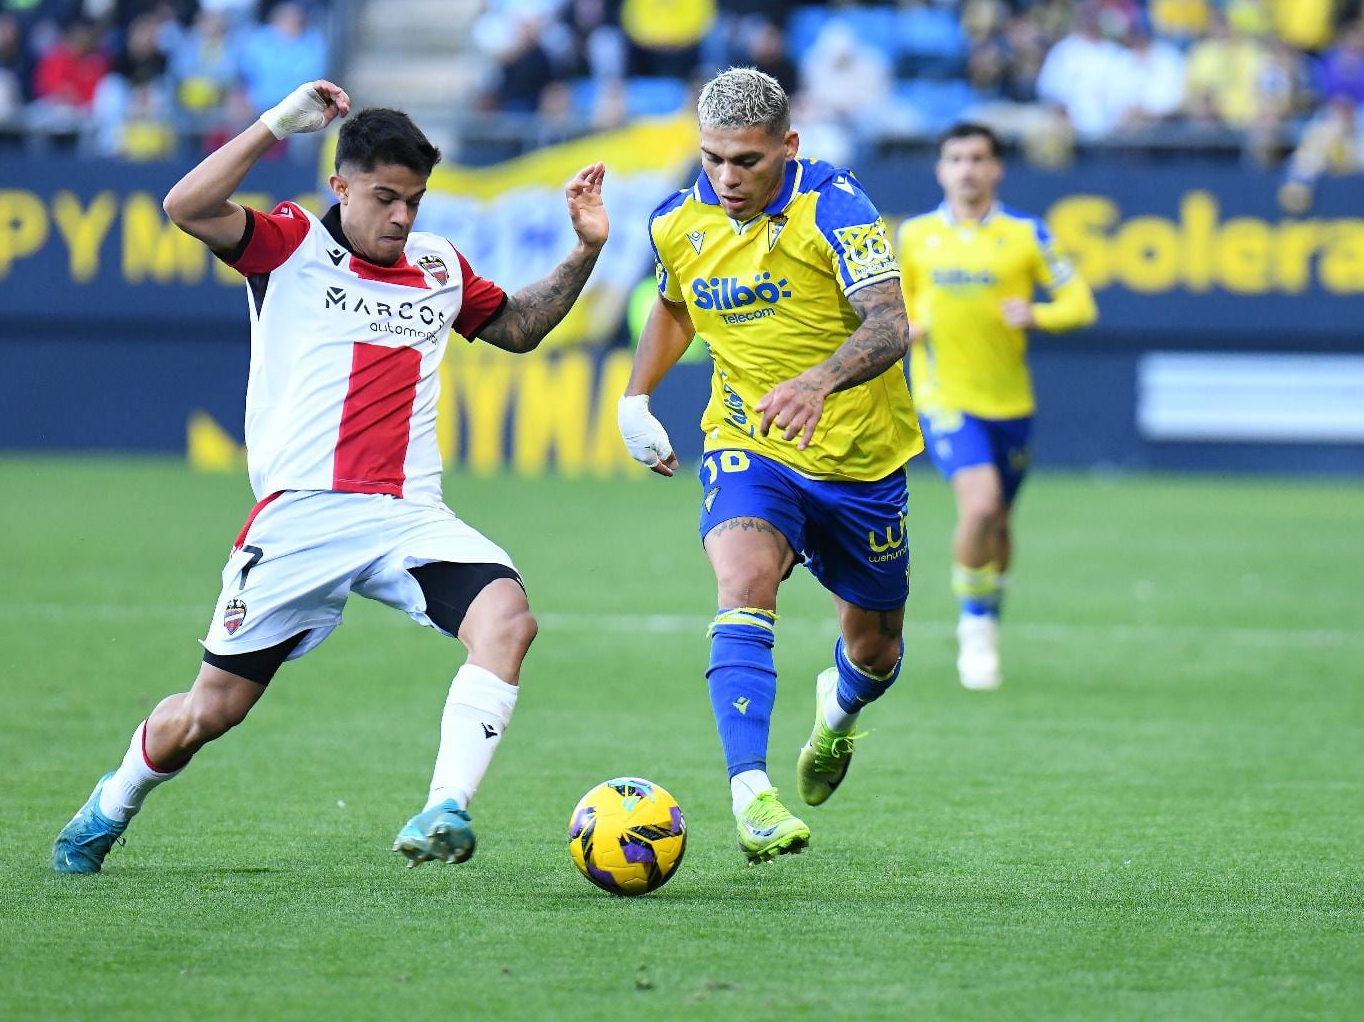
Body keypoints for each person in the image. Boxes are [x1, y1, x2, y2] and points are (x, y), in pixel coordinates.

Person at [51, 79, 609, 873]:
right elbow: (185, 205)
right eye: (384, 197)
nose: (402, 217)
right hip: (302, 518)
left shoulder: (439, 266)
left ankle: (443, 808)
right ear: (338, 185)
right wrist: (277, 123)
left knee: (510, 622)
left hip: (409, 515)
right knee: (212, 712)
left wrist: (585, 250)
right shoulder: (288, 247)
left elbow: (517, 327)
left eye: (414, 199)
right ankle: (112, 802)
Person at [617, 67, 919, 865]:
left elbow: (892, 323)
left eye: (745, 161)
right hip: (750, 443)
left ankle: (840, 712)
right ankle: (750, 793)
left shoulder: (837, 208)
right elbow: (675, 304)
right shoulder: (677, 222)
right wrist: (635, 397)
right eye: (712, 158)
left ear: (788, 146)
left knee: (876, 651)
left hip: (860, 459)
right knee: (743, 584)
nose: (725, 179)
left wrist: (820, 381)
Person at [897, 122, 1097, 691]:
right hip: (945, 398)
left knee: (1001, 523)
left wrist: (1038, 314)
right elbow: (887, 312)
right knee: (980, 507)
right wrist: (911, 330)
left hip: (1010, 402)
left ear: (996, 168)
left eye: (978, 158)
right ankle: (975, 626)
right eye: (955, 158)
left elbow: (1081, 303)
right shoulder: (915, 237)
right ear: (941, 169)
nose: (967, 169)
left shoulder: (1027, 235)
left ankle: (990, 610)